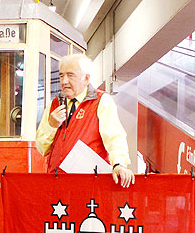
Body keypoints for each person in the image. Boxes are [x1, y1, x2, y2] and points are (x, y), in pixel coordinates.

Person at [35, 53, 135, 188]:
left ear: (86, 79)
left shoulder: (101, 101)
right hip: (57, 184)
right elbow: (42, 149)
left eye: (70, 75)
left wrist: (119, 164)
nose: (64, 81)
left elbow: (114, 137)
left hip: (89, 184)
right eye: (61, 76)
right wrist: (51, 126)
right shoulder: (54, 105)